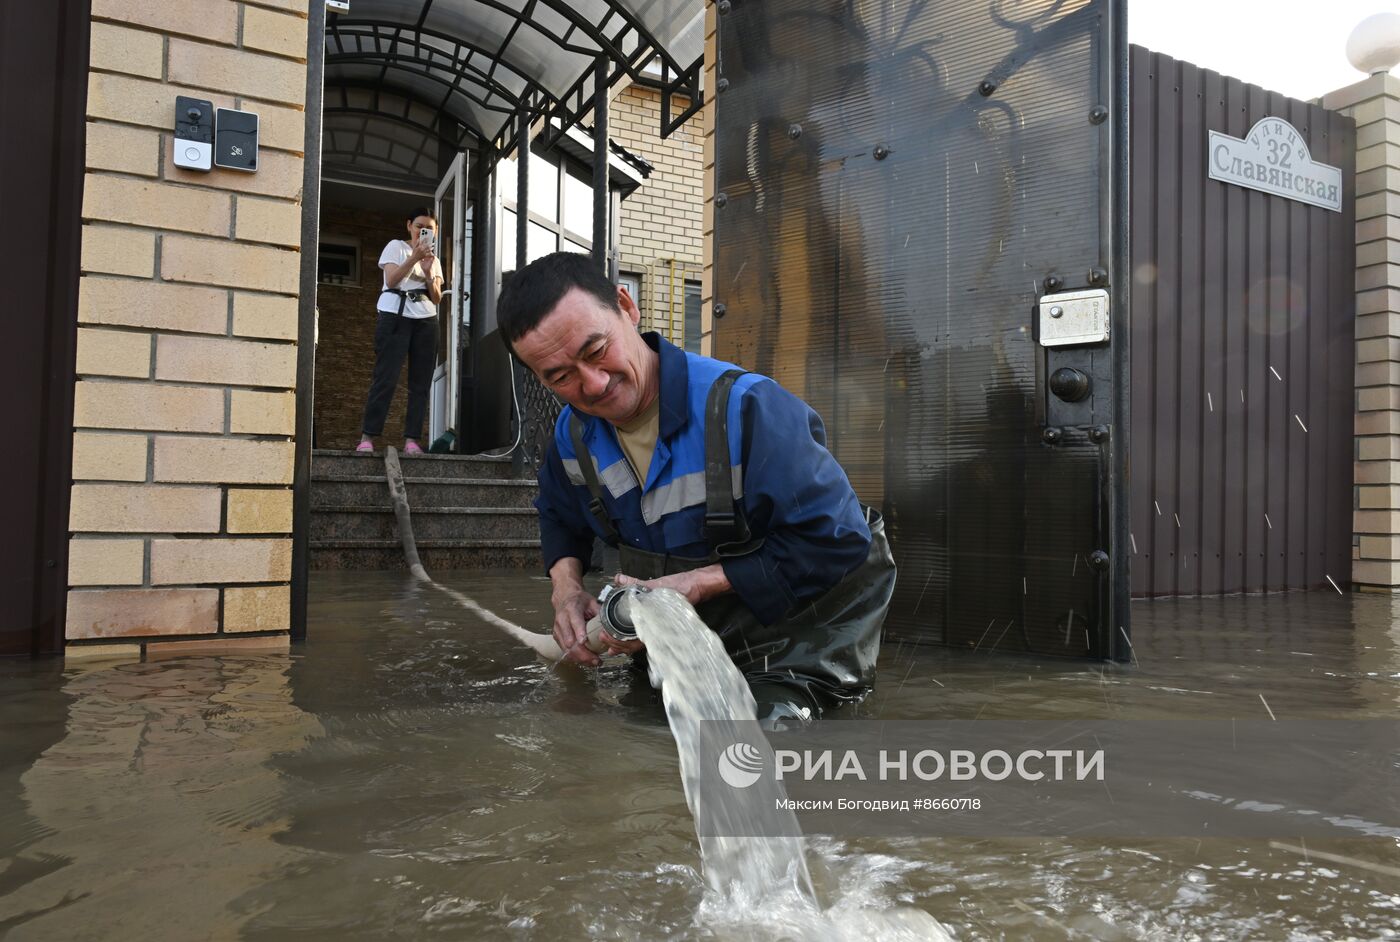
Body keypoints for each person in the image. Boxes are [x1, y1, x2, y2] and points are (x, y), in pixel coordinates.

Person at [496, 252, 896, 727]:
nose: (595, 384)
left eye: (596, 350)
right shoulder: (572, 435)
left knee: (764, 747)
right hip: (683, 652)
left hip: (795, 651)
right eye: (560, 377)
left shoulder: (748, 409)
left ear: (627, 306)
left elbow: (840, 540)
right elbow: (559, 514)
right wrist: (565, 590)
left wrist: (699, 583)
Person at [357, 207, 443, 455]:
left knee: (420, 383)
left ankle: (412, 440)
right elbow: (392, 280)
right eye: (419, 226)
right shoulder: (395, 246)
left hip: (426, 320)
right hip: (395, 315)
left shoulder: (434, 260)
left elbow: (436, 298)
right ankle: (368, 437)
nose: (422, 232)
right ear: (409, 225)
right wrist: (414, 258)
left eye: (429, 229)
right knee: (385, 377)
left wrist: (428, 274)